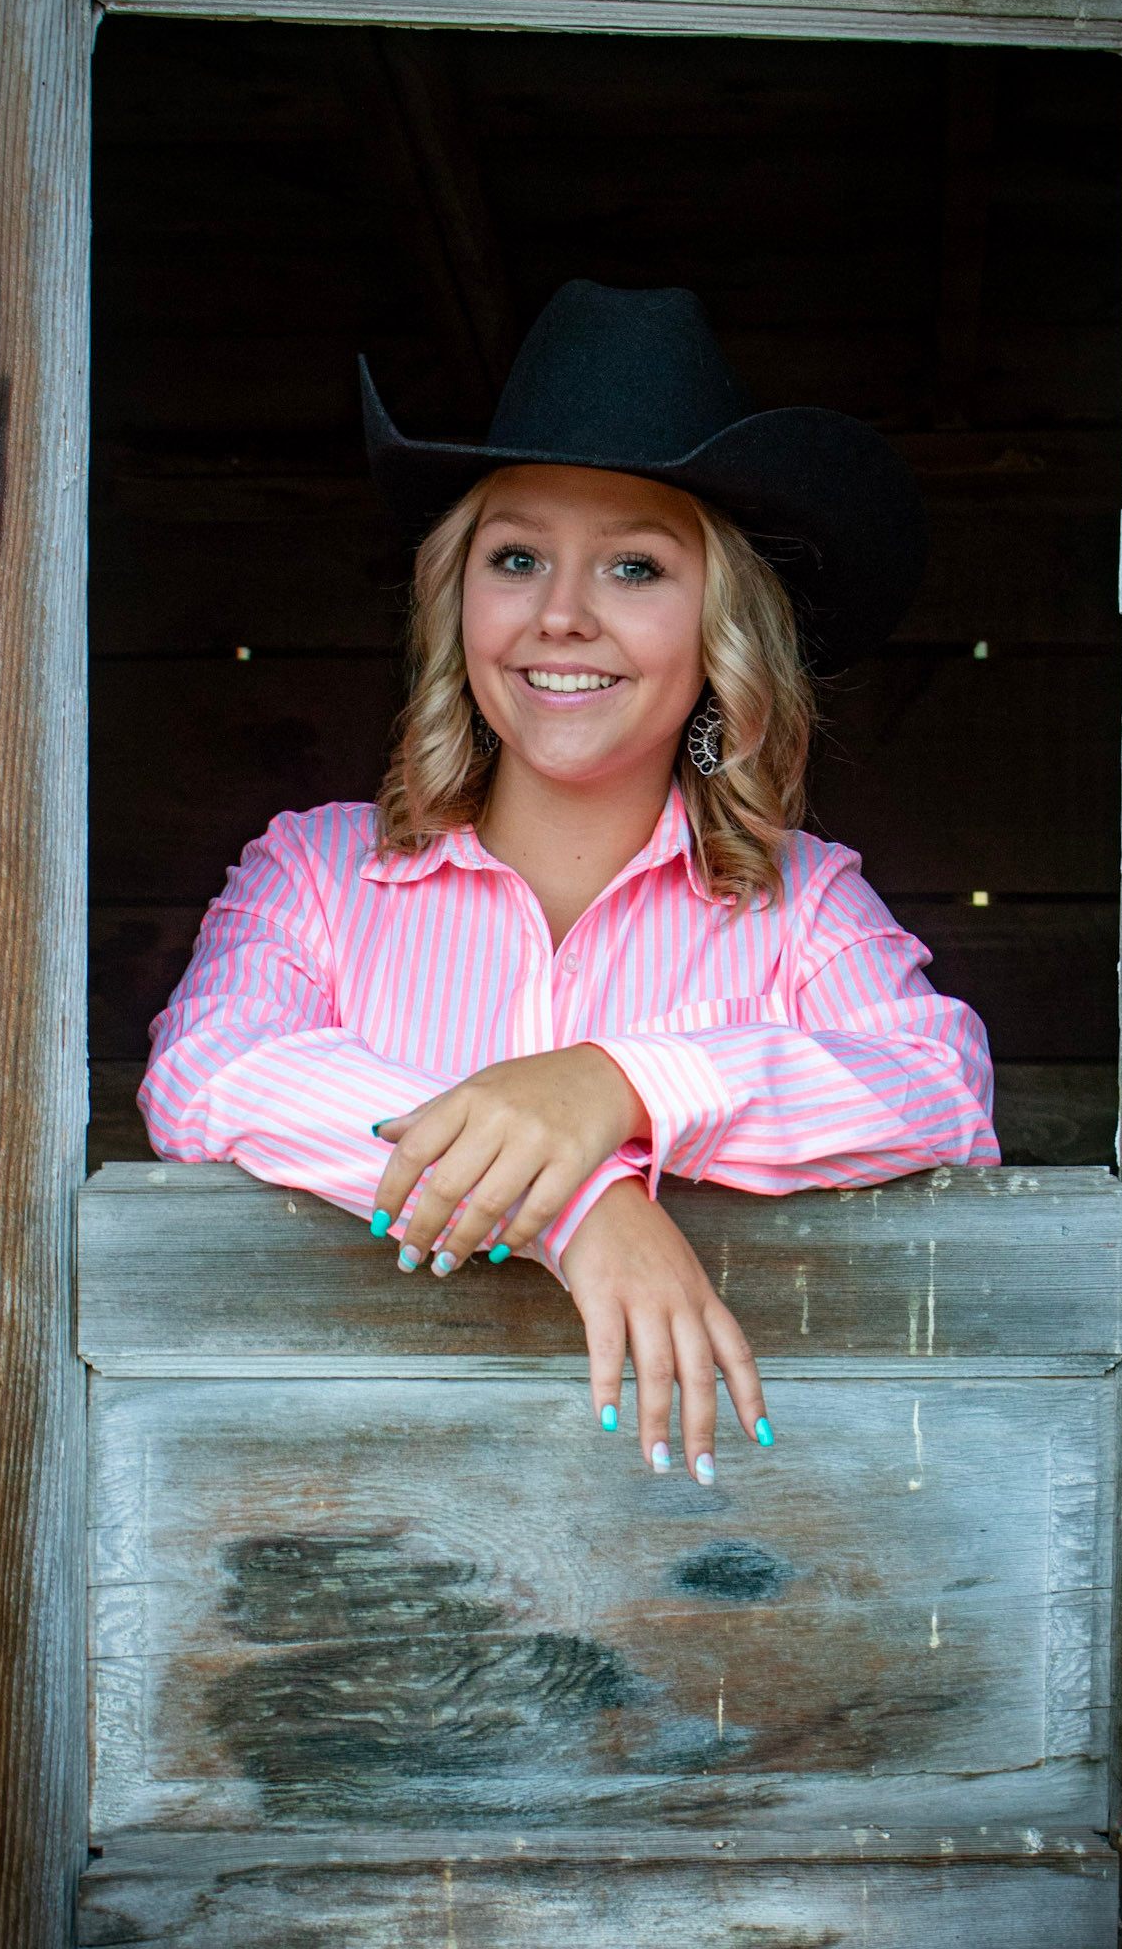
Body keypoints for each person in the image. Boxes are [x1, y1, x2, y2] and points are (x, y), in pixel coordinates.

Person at [141, 280, 998, 1486]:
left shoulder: (800, 902)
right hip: (349, 1541)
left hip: (731, 1575)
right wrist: (579, 1206)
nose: (559, 615)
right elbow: (206, 1073)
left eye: (634, 567)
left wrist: (617, 1084)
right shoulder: (319, 869)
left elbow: (940, 1094)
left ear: (721, 626)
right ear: (456, 598)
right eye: (517, 555)